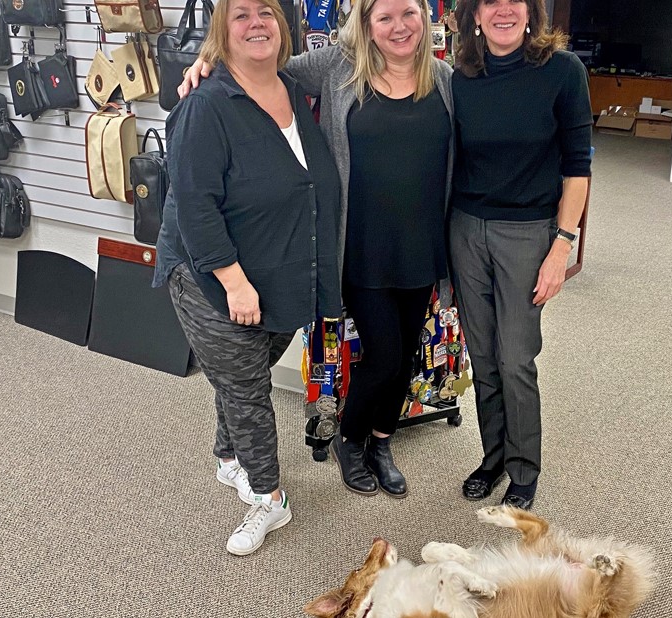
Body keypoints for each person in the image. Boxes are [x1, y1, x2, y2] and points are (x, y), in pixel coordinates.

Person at [181, 0, 454, 499]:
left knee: (406, 355)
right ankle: (351, 439)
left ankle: (382, 442)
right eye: (385, 17)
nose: (399, 26)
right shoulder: (338, 65)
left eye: (408, 14)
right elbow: (263, 61)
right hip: (359, 244)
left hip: (421, 243)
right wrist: (207, 59)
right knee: (384, 355)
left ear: (424, 17)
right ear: (366, 23)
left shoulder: (444, 78)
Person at [152, 0, 341, 556]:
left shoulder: (294, 90)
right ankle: (270, 497)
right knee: (247, 389)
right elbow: (195, 206)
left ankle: (227, 457)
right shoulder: (205, 107)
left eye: (266, 12)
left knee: (240, 373)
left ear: (283, 25)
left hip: (279, 268)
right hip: (211, 276)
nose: (256, 23)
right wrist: (234, 282)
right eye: (241, 14)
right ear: (222, 30)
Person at [449, 0, 592, 510]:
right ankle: (492, 458)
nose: (503, 10)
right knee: (484, 358)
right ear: (475, 15)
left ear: (531, 12)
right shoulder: (460, 77)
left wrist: (562, 246)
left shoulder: (563, 72)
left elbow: (578, 167)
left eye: (515, 0)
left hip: (529, 233)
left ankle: (524, 469)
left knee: (515, 359)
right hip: (466, 230)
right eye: (490, 1)